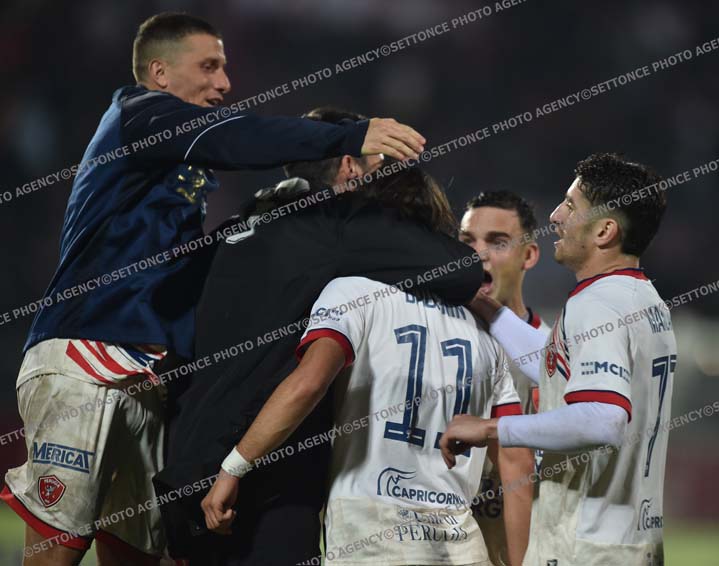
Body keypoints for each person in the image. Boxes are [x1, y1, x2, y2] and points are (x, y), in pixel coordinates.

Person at [1, 12, 424, 565]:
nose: (224, 82)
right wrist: (349, 134)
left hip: (148, 372)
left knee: (136, 553)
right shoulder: (138, 115)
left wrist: (259, 223)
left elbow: (188, 264)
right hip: (87, 351)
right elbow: (239, 137)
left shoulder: (174, 166)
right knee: (60, 546)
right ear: (159, 73)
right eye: (208, 67)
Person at [156, 154, 485, 564]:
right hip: (280, 475)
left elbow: (176, 326)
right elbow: (308, 382)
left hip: (196, 457)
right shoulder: (350, 261)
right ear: (348, 167)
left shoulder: (238, 233)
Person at [441, 153, 676, 565]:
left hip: (586, 548)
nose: (555, 216)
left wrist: (491, 427)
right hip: (629, 541)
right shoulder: (644, 299)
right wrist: (483, 304)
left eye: (570, 205)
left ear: (604, 230)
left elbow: (603, 418)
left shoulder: (597, 303)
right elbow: (552, 368)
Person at [459, 191, 549, 565]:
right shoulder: (434, 344)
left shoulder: (553, 359)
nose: (478, 254)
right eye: (467, 241)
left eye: (497, 243)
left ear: (528, 255)